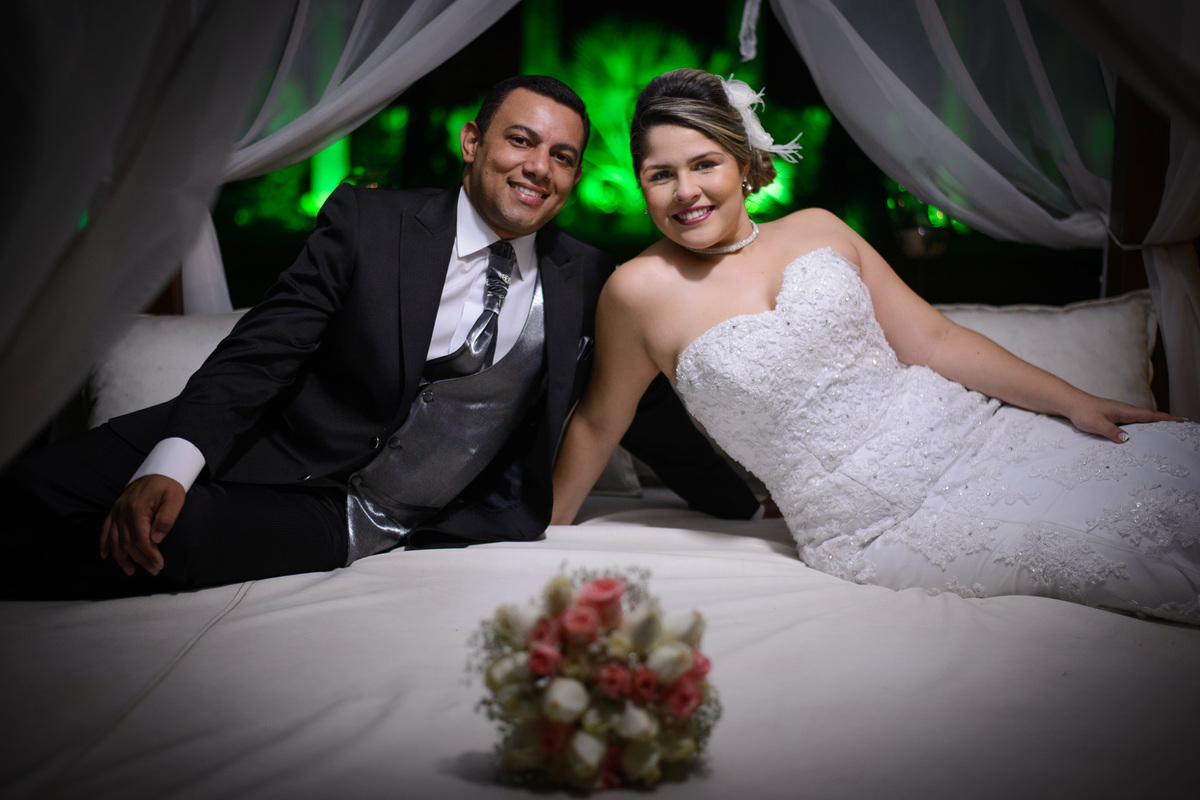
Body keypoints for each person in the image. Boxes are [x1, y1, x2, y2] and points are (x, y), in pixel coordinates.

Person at [0, 75, 759, 600]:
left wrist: (746, 506)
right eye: (521, 141)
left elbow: (643, 406)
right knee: (32, 491)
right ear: (472, 141)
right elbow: (262, 352)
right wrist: (173, 461)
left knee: (172, 541)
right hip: (246, 433)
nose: (539, 168)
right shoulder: (369, 225)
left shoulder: (589, 277)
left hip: (349, 511)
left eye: (562, 156)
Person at [552, 68, 1200, 624]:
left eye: (704, 164)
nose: (686, 191)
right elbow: (601, 419)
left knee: (1175, 477)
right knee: (1136, 548)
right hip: (877, 526)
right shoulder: (637, 291)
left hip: (981, 440)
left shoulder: (819, 228)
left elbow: (938, 341)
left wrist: (1073, 402)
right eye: (660, 174)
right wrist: (545, 530)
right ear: (639, 185)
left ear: (745, 164)